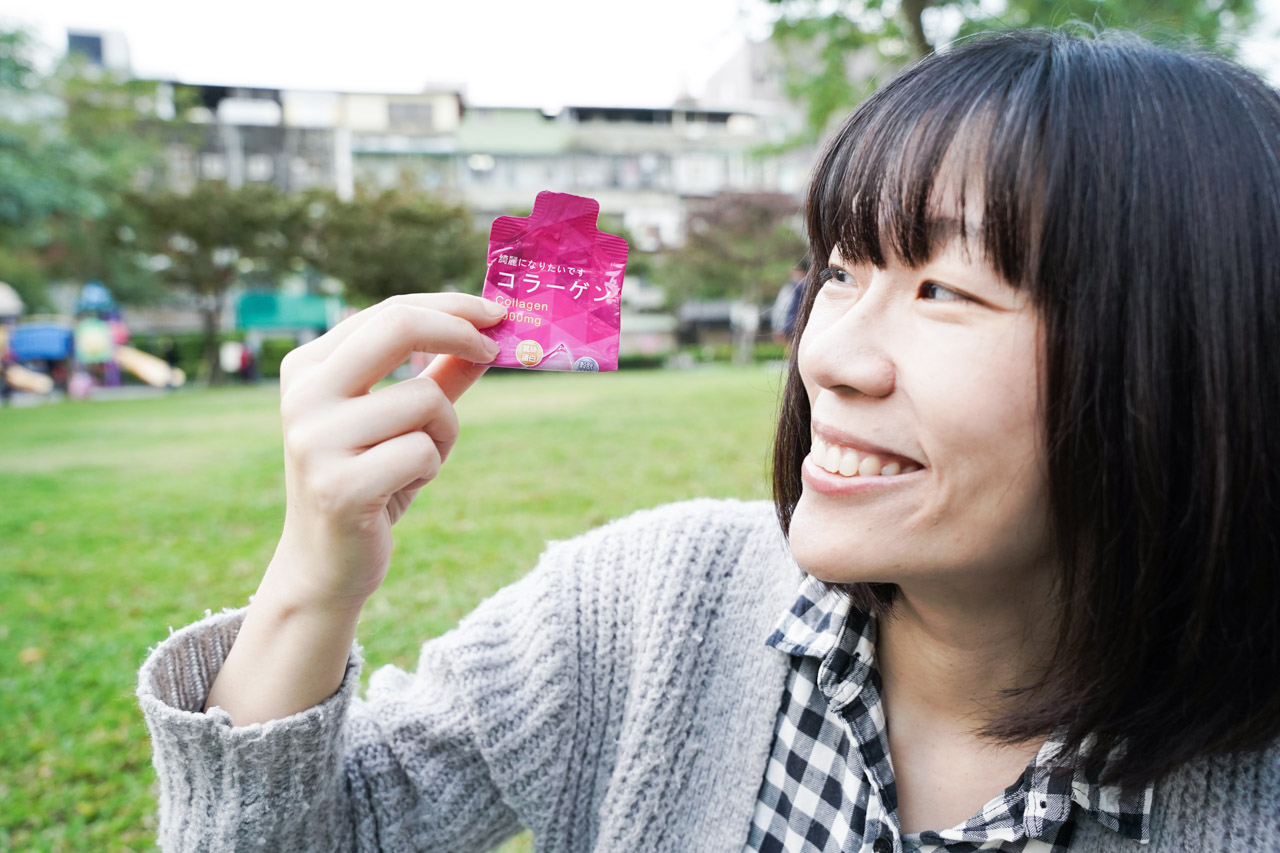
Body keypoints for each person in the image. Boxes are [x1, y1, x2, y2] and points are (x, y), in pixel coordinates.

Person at [137, 29, 1280, 852]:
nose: (826, 354)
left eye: (943, 290)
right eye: (839, 271)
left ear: (1186, 349)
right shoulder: (647, 607)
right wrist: (310, 584)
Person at [771, 255, 811, 345]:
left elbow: (782, 307)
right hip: (802, 327)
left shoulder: (792, 287)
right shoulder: (812, 287)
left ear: (802, 272)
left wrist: (779, 328)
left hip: (792, 327)